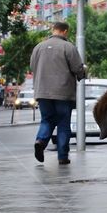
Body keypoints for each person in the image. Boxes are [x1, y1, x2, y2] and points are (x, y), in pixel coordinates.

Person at [30, 21, 86, 165]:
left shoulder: (38, 47)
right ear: (65, 31)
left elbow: (32, 66)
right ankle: (62, 156)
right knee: (63, 123)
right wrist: (82, 73)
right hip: (63, 92)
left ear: (53, 30)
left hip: (42, 92)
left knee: (46, 119)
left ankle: (40, 140)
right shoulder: (68, 47)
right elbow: (78, 68)